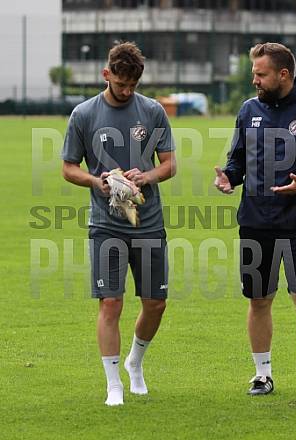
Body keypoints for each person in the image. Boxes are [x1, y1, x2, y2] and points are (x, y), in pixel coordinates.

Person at [214, 42, 296, 407]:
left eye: (261, 74)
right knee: (259, 299)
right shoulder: (248, 110)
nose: (254, 80)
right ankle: (262, 374)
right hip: (255, 221)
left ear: (283, 74)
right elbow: (237, 160)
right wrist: (229, 177)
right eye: (254, 73)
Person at [62, 42, 176, 406]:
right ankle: (114, 385)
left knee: (155, 304)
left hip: (149, 223)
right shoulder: (83, 114)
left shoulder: (153, 111)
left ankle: (135, 362)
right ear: (106, 74)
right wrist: (95, 181)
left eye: (133, 86)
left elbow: (169, 165)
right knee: (110, 302)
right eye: (120, 84)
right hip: (105, 224)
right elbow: (68, 167)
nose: (126, 91)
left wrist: (145, 177)